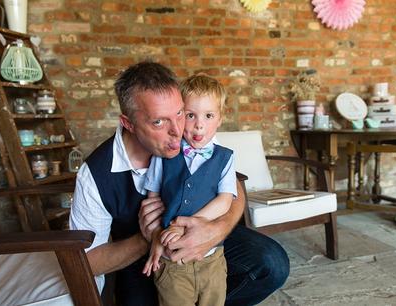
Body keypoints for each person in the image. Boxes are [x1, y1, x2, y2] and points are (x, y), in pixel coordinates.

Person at [69, 60, 290, 306]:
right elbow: (86, 261)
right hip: (143, 261)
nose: (178, 130)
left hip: (204, 244)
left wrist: (217, 228)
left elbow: (233, 184)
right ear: (128, 123)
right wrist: (147, 238)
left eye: (179, 113)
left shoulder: (193, 141)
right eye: (159, 122)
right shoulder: (95, 175)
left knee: (272, 264)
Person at [143, 75, 237, 306]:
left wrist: (184, 224)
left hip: (212, 259)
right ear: (179, 117)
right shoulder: (163, 155)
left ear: (220, 119)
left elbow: (225, 200)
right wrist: (155, 236)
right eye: (190, 114)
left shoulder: (225, 157)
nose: (199, 124)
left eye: (208, 115)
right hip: (171, 260)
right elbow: (152, 199)